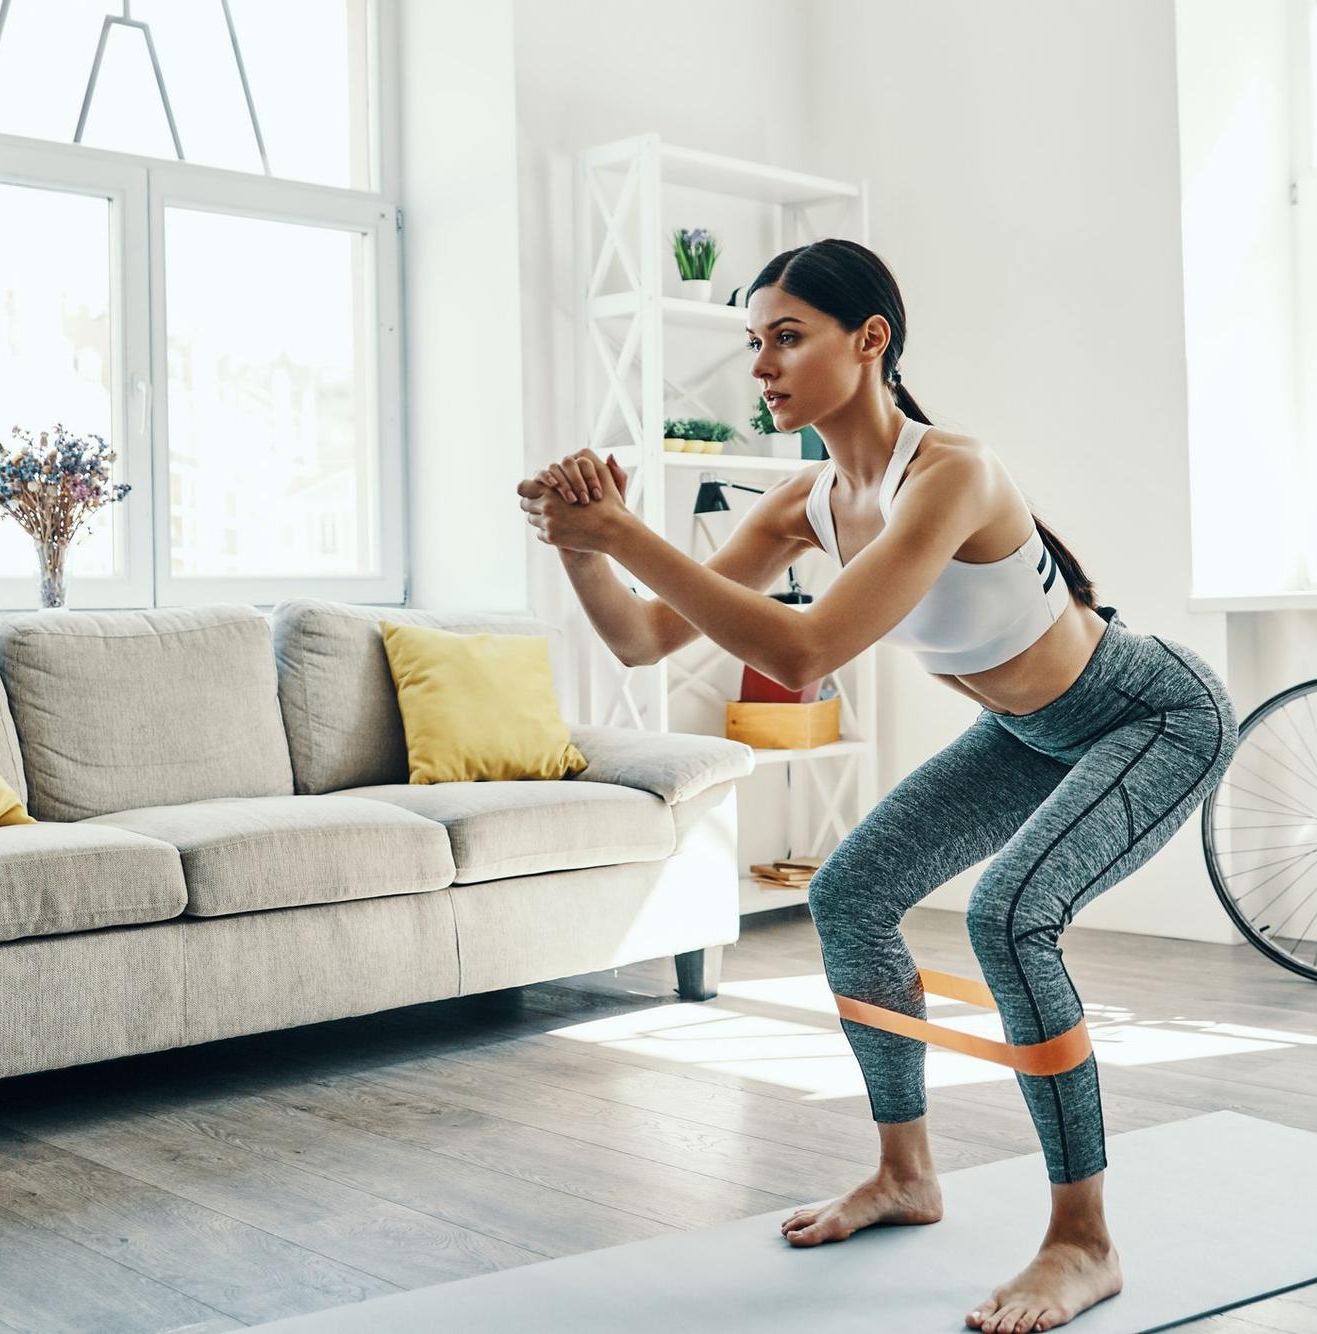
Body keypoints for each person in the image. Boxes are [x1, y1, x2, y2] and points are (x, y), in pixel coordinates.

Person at [516, 238, 1237, 1334]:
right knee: (847, 895)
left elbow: (805, 654)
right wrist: (581, 545)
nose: (760, 364)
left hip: (1152, 714)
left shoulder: (952, 472)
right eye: (752, 341)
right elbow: (642, 639)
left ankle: (1082, 1240)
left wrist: (625, 529)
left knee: (1008, 917)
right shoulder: (804, 499)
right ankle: (905, 1174)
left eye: (786, 337)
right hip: (1024, 728)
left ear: (870, 341)